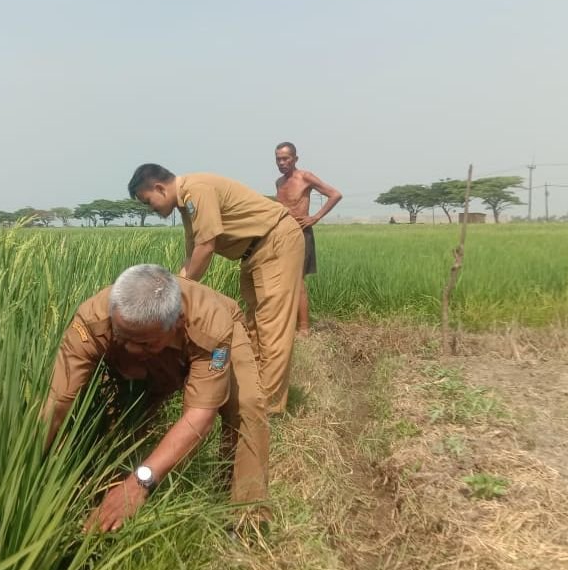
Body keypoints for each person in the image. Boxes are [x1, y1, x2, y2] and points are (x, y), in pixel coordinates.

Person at [41, 264, 270, 532]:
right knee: (122, 412)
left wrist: (140, 482)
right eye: (122, 336)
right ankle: (105, 488)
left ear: (178, 323)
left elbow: (199, 417)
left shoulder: (209, 326)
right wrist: (27, 464)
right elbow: (56, 403)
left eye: (144, 343)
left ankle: (245, 518)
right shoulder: (92, 320)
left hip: (210, 336)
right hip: (158, 343)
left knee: (246, 407)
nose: (130, 349)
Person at [128, 164, 303, 415]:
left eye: (148, 201)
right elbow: (192, 259)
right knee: (254, 327)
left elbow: (206, 247)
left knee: (272, 328)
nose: (151, 209)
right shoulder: (187, 206)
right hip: (254, 251)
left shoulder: (196, 190)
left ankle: (268, 410)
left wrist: (178, 294)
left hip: (275, 241)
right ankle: (254, 395)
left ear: (159, 188)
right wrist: (171, 292)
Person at [273, 142, 343, 336]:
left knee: (297, 280)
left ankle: (304, 328)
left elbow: (335, 195)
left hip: (301, 233)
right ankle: (289, 324)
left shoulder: (305, 177)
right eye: (278, 158)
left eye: (285, 158)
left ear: (295, 159)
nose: (282, 162)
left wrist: (315, 217)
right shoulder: (279, 182)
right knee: (283, 280)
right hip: (282, 235)